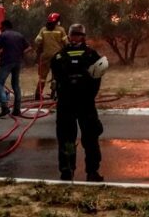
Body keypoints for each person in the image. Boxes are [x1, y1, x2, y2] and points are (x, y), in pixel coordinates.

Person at [51, 23, 108, 182]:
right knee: (88, 139)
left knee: (69, 139)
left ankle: (68, 171)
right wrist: (90, 96)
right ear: (83, 36)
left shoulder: (59, 56)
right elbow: (97, 80)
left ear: (70, 36)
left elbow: (56, 78)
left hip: (67, 104)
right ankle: (91, 172)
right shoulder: (92, 55)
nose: (75, 37)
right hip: (84, 104)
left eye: (76, 35)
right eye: (75, 35)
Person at [0, 19, 31, 118]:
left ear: (5, 26)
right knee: (16, 85)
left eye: (1, 26)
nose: (0, 28)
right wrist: (21, 53)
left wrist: (1, 54)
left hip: (6, 62)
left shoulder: (2, 35)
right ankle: (17, 110)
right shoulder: (19, 35)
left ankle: (5, 106)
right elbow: (29, 48)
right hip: (17, 62)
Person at [34, 12, 68, 100]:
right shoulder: (61, 30)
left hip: (45, 56)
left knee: (42, 77)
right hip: (58, 56)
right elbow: (66, 43)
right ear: (57, 21)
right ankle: (54, 93)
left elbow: (37, 41)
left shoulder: (43, 30)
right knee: (56, 75)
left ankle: (38, 94)